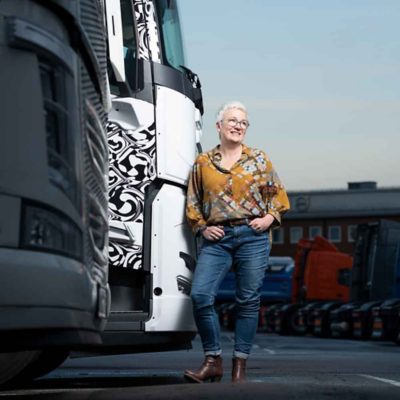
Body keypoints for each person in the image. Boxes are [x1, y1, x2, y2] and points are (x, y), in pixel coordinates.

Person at [184, 101, 290, 383]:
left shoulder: (259, 159)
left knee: (248, 301)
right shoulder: (203, 163)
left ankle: (240, 365)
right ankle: (213, 360)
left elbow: (278, 198)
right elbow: (193, 202)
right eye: (232, 120)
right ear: (218, 126)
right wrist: (202, 227)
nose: (238, 126)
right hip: (217, 239)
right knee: (200, 296)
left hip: (252, 237)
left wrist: (269, 219)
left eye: (243, 122)